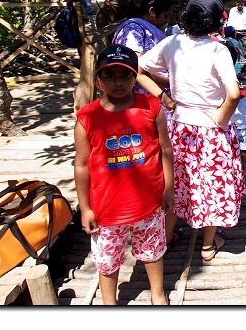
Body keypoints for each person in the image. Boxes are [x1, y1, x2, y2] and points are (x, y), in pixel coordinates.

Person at [136, 0, 244, 259]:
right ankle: (207, 245)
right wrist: (221, 118)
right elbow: (233, 94)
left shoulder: (172, 43)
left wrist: (165, 98)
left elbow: (137, 69)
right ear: (216, 21)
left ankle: (168, 235)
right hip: (210, 130)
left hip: (180, 127)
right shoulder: (218, 50)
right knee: (213, 185)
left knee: (179, 182)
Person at [73, 44, 174, 305]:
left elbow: (165, 149)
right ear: (99, 80)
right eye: (111, 76)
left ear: (134, 77)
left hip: (148, 201)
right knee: (107, 260)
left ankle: (158, 294)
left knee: (152, 252)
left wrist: (168, 187)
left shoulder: (152, 107)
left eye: (126, 75)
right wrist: (85, 208)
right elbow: (81, 165)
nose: (118, 83)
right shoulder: (87, 117)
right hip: (107, 208)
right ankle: (110, 302)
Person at [111, 0, 176, 102]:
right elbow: (136, 69)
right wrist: (169, 83)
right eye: (166, 16)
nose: (168, 21)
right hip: (145, 97)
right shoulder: (132, 30)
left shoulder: (145, 28)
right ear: (152, 11)